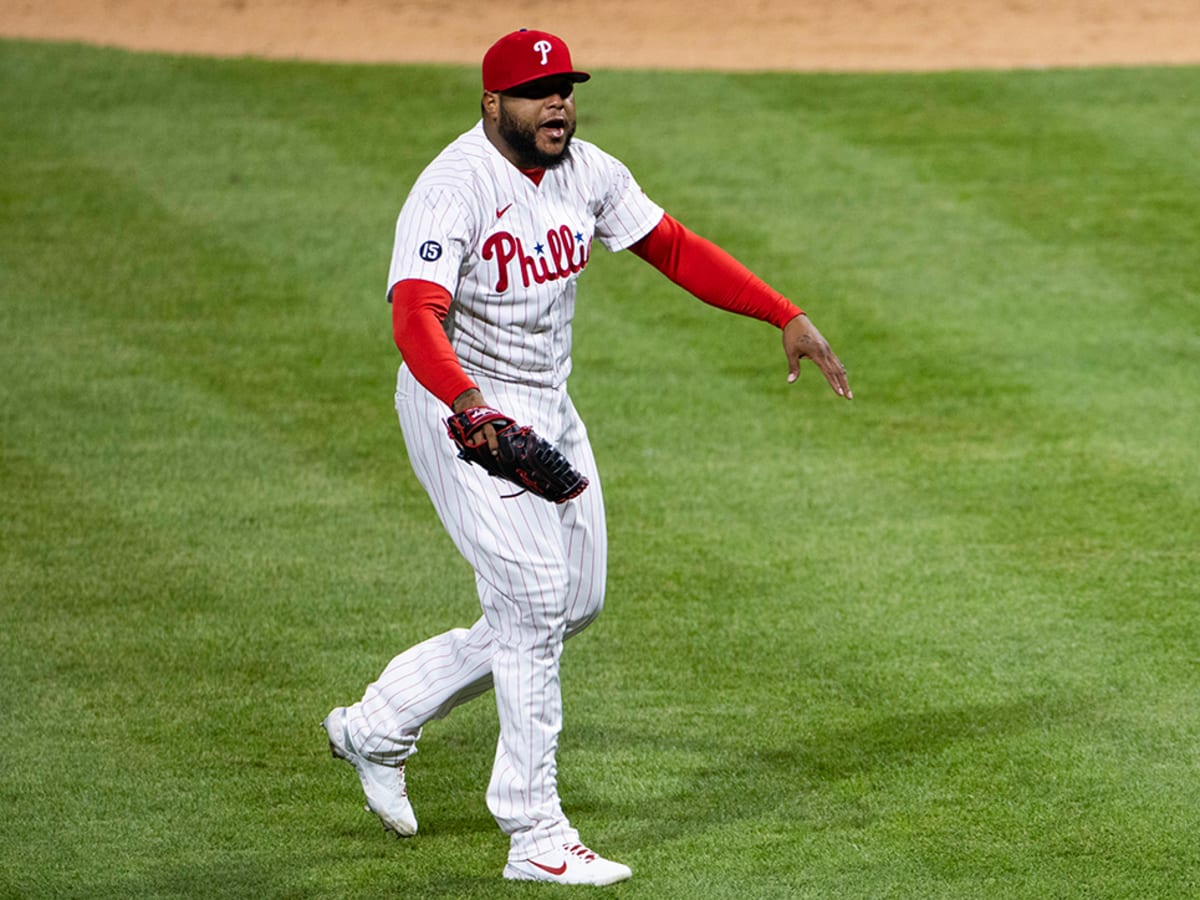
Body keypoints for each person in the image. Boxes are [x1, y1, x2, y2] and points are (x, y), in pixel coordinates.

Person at [323, 27, 853, 886]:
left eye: (566, 87)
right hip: (457, 405)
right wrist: (468, 406)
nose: (557, 103)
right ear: (492, 103)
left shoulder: (590, 173)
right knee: (534, 596)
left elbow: (673, 247)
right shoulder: (453, 187)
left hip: (548, 410)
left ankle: (378, 725)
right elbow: (415, 315)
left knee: (574, 602)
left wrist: (781, 311)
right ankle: (533, 830)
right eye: (537, 92)